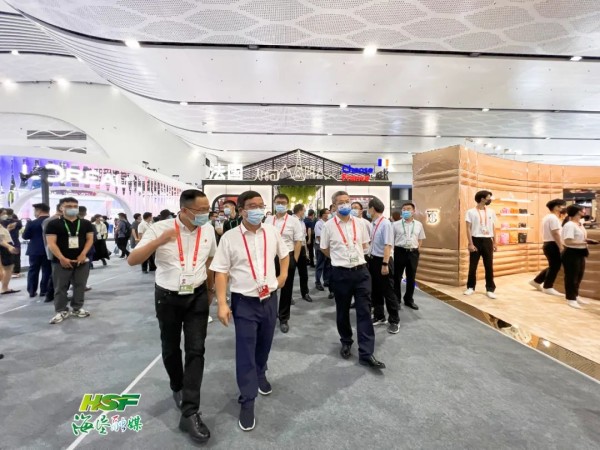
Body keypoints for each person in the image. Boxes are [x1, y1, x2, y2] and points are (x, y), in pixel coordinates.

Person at [128, 189, 216, 443]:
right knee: (170, 347)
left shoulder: (208, 229)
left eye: (207, 209)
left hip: (197, 295)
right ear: (184, 210)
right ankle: (177, 386)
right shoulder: (159, 229)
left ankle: (190, 412)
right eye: (201, 210)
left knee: (196, 350)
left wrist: (210, 290)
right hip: (167, 297)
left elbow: (210, 260)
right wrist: (160, 240)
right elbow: (133, 260)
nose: (206, 214)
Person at [211, 190, 289, 432]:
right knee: (246, 349)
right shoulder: (230, 237)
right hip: (244, 301)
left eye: (260, 205)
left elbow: (284, 255)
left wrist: (283, 276)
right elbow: (220, 271)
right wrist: (222, 303)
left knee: (265, 343)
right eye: (252, 206)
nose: (258, 210)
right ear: (242, 210)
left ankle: (260, 372)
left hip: (269, 299)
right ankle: (247, 399)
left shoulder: (272, 231)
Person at [320, 191, 385, 369]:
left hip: (361, 272)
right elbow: (324, 248)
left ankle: (366, 352)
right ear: (334, 206)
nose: (345, 204)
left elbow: (364, 245)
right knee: (342, 311)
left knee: (364, 311)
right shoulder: (328, 226)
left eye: (347, 201)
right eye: (341, 202)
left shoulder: (360, 223)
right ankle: (346, 341)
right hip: (340, 274)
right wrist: (338, 258)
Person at [45, 197, 95, 324]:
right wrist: (61, 258)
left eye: (75, 206)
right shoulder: (53, 224)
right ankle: (61, 310)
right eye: (69, 206)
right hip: (61, 261)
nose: (72, 208)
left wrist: (83, 254)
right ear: (61, 208)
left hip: (81, 261)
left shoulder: (86, 223)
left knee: (80, 285)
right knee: (60, 287)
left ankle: (77, 308)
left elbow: (90, 239)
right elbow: (51, 243)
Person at [269, 194, 303, 333]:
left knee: (286, 288)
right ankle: (270, 315)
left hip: (287, 257)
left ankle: (284, 318)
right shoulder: (268, 220)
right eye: (278, 202)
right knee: (269, 287)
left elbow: (298, 241)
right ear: (274, 203)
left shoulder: (294, 221)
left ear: (287, 204)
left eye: (283, 202)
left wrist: (294, 259)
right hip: (270, 257)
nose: (280, 205)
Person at [367, 197, 400, 333]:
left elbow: (388, 245)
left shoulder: (385, 224)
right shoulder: (374, 223)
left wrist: (385, 264)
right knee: (375, 290)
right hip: (374, 260)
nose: (367, 211)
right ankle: (379, 316)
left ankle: (394, 320)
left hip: (383, 261)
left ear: (372, 209)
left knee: (388, 291)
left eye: (368, 208)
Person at [561, 205, 599, 309]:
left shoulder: (579, 224)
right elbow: (568, 241)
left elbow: (580, 238)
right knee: (571, 277)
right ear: (578, 211)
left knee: (578, 276)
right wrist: (586, 242)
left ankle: (575, 296)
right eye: (583, 209)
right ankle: (571, 299)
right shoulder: (569, 225)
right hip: (571, 253)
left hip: (580, 252)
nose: (585, 211)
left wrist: (588, 241)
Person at [464, 190, 497, 299]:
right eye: (488, 197)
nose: (490, 199)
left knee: (489, 266)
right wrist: (470, 243)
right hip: (476, 240)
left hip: (488, 240)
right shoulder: (470, 212)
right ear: (482, 199)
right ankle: (470, 287)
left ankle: (490, 289)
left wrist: (495, 242)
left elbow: (493, 227)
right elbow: (468, 228)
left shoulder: (491, 211)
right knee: (473, 266)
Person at [393, 202, 426, 310]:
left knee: (411, 277)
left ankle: (409, 300)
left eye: (408, 209)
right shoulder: (395, 224)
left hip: (413, 253)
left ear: (413, 211)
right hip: (400, 251)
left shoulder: (419, 224)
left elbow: (420, 238)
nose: (406, 211)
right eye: (404, 209)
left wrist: (418, 248)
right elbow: (391, 239)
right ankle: (396, 300)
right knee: (397, 277)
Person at [530, 199, 566, 295]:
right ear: (557, 207)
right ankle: (548, 287)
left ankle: (536, 281)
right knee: (555, 266)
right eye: (562, 206)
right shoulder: (553, 218)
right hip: (553, 244)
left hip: (548, 244)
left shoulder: (548, 217)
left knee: (553, 265)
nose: (564, 208)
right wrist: (561, 246)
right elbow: (555, 233)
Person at [22, 203, 52, 298]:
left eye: (35, 211)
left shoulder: (31, 223)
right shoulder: (53, 222)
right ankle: (44, 290)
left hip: (34, 250)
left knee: (33, 270)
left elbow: (25, 236)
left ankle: (32, 291)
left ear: (39, 211)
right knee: (47, 270)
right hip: (49, 249)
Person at [293, 204, 312, 303]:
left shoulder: (302, 222)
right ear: (299, 211)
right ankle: (288, 296)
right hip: (292, 249)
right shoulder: (292, 221)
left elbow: (303, 237)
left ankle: (305, 293)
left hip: (302, 249)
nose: (305, 212)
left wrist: (306, 251)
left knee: (304, 273)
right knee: (290, 274)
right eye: (304, 211)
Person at [314, 208, 332, 295]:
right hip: (321, 247)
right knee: (320, 265)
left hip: (328, 247)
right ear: (323, 215)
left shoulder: (329, 223)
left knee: (327, 265)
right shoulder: (319, 223)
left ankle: (326, 280)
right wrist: (324, 247)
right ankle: (318, 282)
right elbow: (318, 237)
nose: (328, 214)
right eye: (327, 213)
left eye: (329, 213)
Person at [0, 217, 19, 295]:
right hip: (4, 247)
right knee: (8, 268)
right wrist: (9, 246)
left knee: (6, 268)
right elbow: (1, 240)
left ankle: (5, 287)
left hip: (5, 246)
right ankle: (4, 288)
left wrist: (8, 229)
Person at [1, 208, 22, 279]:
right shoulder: (17, 222)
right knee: (16, 258)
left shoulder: (3, 223)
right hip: (12, 242)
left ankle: (12, 272)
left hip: (7, 242)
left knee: (8, 259)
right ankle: (16, 272)